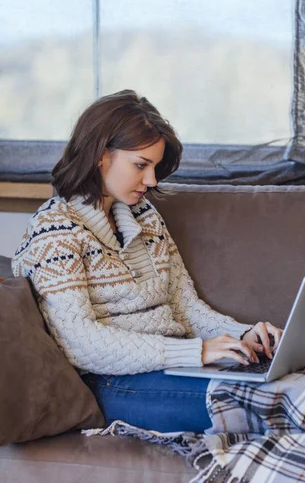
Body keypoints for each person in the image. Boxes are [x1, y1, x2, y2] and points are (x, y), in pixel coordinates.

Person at [12, 90, 283, 433]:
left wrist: (242, 335)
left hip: (175, 366)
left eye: (155, 167)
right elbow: (80, 342)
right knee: (269, 405)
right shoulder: (53, 231)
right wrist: (195, 353)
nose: (152, 181)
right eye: (141, 165)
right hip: (111, 382)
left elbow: (184, 308)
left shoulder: (147, 218)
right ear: (99, 155)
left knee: (297, 382)